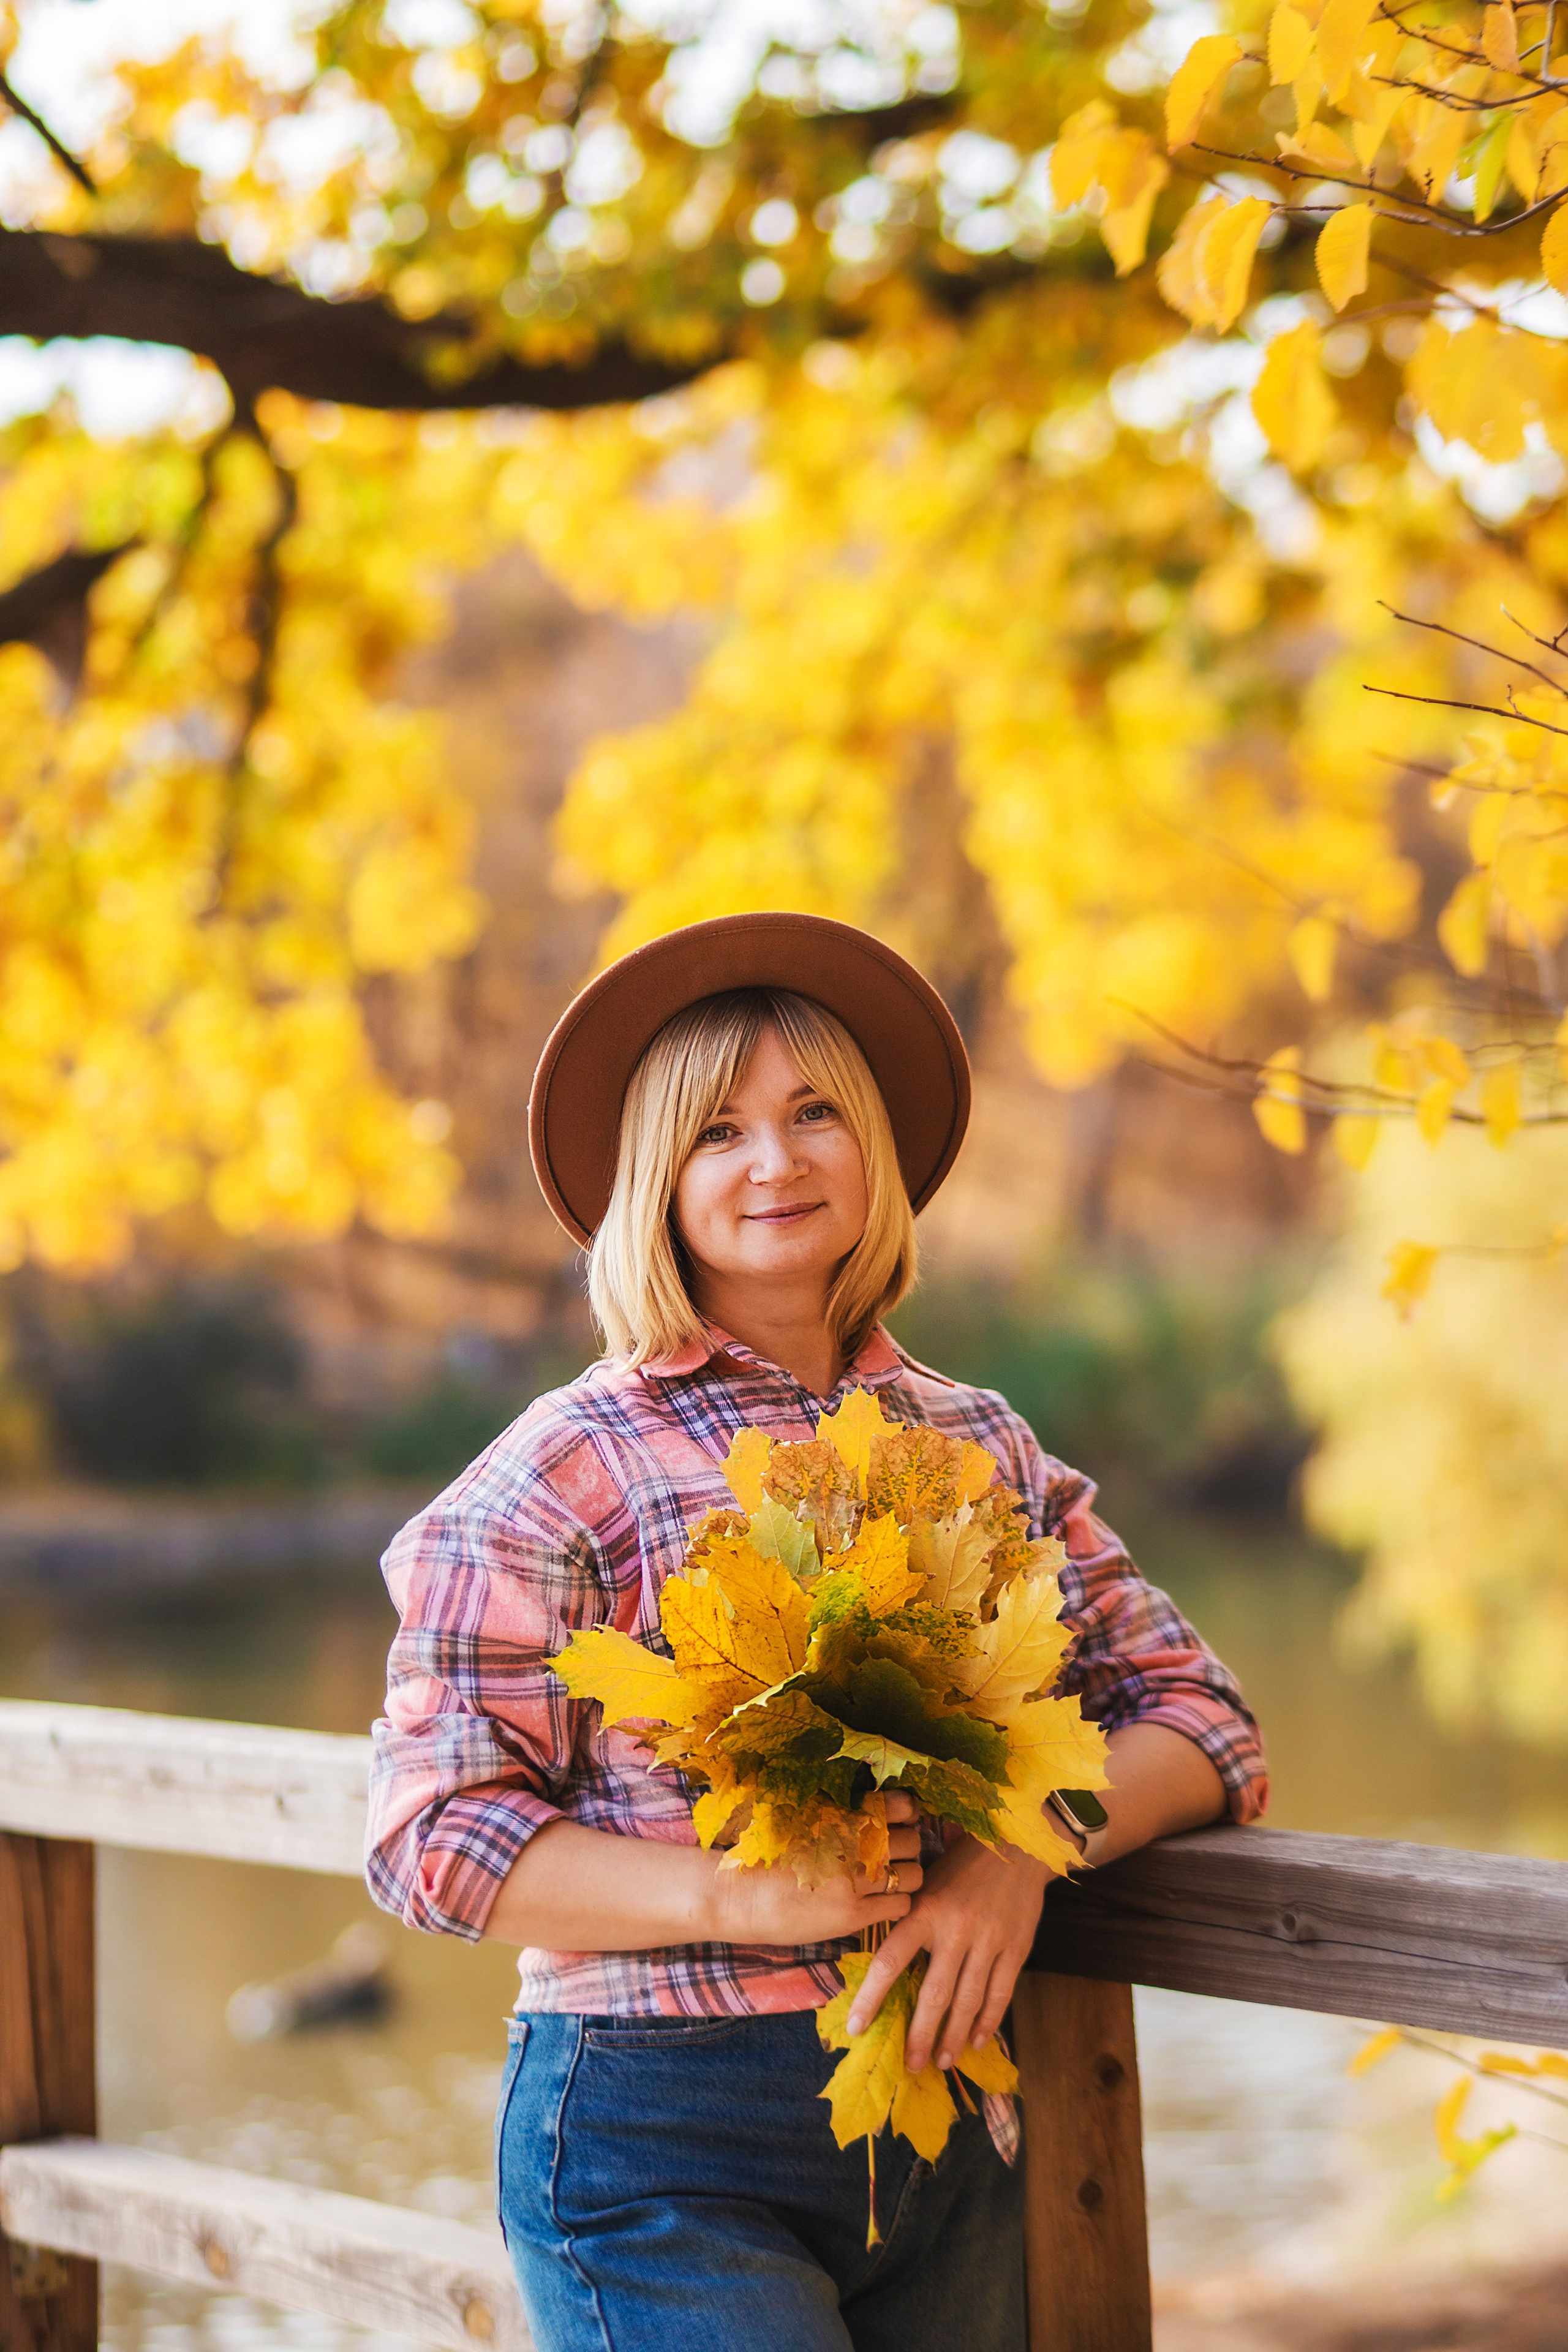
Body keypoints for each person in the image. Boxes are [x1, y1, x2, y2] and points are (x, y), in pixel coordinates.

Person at [366, 911, 1266, 2352]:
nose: (773, 1161)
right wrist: (737, 1898)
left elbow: (1197, 1715)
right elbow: (432, 1838)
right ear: (652, 1183)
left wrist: (1023, 1851)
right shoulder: (561, 1471)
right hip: (661, 2136)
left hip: (948, 2117)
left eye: (812, 1114)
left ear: (875, 1151)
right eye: (717, 1132)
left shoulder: (972, 1443)